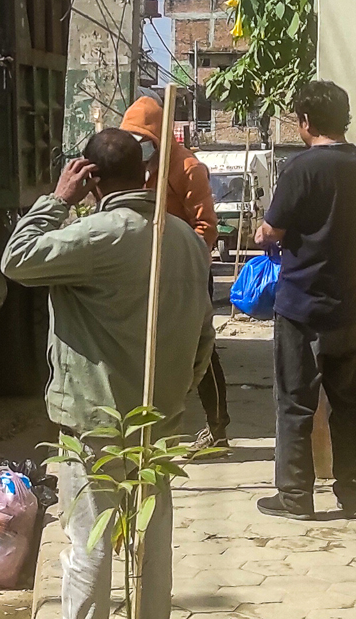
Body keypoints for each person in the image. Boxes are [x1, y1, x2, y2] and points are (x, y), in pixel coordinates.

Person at [1, 127, 213, 619]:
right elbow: (205, 334)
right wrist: (179, 390)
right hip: (159, 421)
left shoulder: (96, 236)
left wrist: (57, 199)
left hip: (96, 425)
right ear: (145, 174)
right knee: (151, 543)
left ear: (90, 177)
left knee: (89, 546)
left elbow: (16, 259)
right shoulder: (183, 238)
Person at [253, 80, 356, 520]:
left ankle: (295, 497)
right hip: (352, 306)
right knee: (349, 404)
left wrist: (265, 233)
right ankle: (353, 494)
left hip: (302, 305)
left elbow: (273, 229)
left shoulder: (300, 169)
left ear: (305, 121)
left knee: (295, 402)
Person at [121, 96, 229, 451]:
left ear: (157, 137)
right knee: (148, 347)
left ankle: (218, 428)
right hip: (147, 271)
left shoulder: (187, 168)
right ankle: (145, 430)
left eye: (143, 140)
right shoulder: (137, 169)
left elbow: (206, 227)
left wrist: (188, 264)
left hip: (187, 271)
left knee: (199, 346)